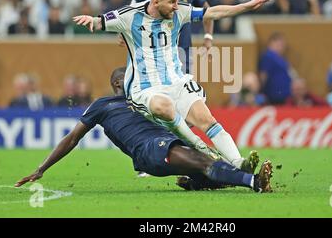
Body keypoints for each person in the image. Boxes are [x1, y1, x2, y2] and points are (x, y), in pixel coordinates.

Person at [73, 0, 273, 172]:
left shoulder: (180, 11)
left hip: (176, 82)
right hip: (145, 89)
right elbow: (100, 21)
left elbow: (212, 12)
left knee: (207, 119)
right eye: (171, 2)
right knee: (165, 107)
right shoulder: (129, 16)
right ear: (155, 1)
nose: (176, 7)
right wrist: (92, 20)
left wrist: (246, 6)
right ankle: (201, 148)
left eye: (177, 1)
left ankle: (239, 163)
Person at [14, 67, 273, 193]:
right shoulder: (104, 105)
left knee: (204, 163)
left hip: (168, 141)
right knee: (201, 159)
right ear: (119, 82)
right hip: (148, 150)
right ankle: (253, 182)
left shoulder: (148, 98)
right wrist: (41, 168)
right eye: (131, 76)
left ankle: (199, 183)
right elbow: (72, 138)